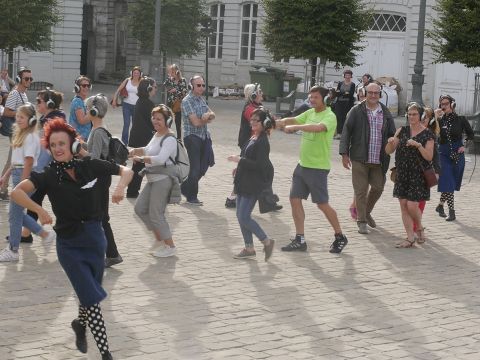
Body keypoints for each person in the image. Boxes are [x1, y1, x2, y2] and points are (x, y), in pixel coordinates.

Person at [11, 118, 133, 360]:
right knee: (92, 298)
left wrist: (120, 188)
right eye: (53, 144)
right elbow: (16, 193)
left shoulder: (89, 165)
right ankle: (106, 354)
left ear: (72, 144)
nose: (57, 148)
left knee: (89, 294)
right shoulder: (47, 175)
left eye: (61, 143)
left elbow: (126, 170)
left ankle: (79, 323)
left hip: (96, 240)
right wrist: (41, 210)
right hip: (69, 246)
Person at [276, 85, 348, 254]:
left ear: (324, 99)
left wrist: (296, 128)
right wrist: (275, 122)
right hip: (302, 165)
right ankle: (300, 239)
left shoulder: (330, 116)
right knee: (294, 199)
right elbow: (291, 120)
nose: (311, 100)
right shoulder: (310, 112)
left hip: (318, 168)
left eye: (315, 97)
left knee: (322, 204)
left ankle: (340, 236)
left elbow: (319, 128)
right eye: (310, 97)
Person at [0, 104, 56, 262]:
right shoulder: (21, 134)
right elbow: (15, 161)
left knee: (14, 215)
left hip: (24, 175)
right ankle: (45, 234)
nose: (17, 120)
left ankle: (13, 249)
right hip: (18, 174)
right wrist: (5, 176)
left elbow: (29, 161)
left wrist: (23, 184)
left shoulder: (31, 137)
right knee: (15, 214)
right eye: (17, 116)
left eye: (21, 117)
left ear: (31, 119)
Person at [339, 82, 396, 234]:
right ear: (365, 92)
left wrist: (392, 139)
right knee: (361, 191)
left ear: (380, 95)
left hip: (379, 159)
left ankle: (366, 211)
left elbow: (392, 132)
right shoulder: (356, 110)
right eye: (370, 92)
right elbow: (346, 132)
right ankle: (362, 220)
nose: (372, 95)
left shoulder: (385, 112)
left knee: (378, 187)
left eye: (375, 93)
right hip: (359, 157)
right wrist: (344, 153)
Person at [129, 105, 179, 258]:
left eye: (159, 119)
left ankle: (170, 246)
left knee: (156, 214)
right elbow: (150, 149)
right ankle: (159, 238)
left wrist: (141, 158)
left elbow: (161, 159)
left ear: (168, 120)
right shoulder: (157, 134)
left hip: (163, 180)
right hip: (152, 178)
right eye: (154, 118)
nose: (155, 121)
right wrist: (136, 150)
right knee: (140, 208)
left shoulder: (170, 138)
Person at [81, 94, 123, 268]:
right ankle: (111, 253)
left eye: (87, 109)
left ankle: (109, 253)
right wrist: (82, 144)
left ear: (93, 111)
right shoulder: (99, 130)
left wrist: (81, 151)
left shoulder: (97, 132)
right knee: (99, 217)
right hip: (101, 179)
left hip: (98, 179)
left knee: (98, 218)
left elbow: (95, 159)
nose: (85, 112)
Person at [228, 108, 276, 261]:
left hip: (253, 183)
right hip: (244, 180)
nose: (252, 122)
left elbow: (259, 165)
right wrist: (239, 166)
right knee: (240, 215)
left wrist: (240, 160)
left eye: (256, 120)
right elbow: (246, 156)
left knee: (244, 216)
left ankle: (266, 241)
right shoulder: (253, 137)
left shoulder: (262, 142)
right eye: (252, 120)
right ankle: (249, 248)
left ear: (265, 123)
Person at [225, 83, 282, 211]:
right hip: (249, 143)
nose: (261, 93)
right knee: (252, 170)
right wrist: (278, 121)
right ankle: (233, 198)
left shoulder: (256, 106)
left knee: (262, 169)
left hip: (255, 142)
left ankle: (267, 199)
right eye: (259, 92)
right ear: (254, 95)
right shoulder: (250, 109)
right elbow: (264, 119)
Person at [385, 103, 435, 247]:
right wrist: (390, 142)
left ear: (421, 116)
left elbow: (429, 157)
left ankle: (418, 227)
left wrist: (418, 145)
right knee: (403, 205)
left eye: (414, 114)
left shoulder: (428, 134)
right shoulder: (402, 130)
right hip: (402, 173)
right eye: (409, 114)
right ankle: (409, 238)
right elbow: (389, 151)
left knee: (412, 205)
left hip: (418, 174)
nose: (411, 117)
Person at [22, 88, 66, 242]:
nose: (37, 104)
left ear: (49, 103)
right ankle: (26, 234)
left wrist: (37, 170)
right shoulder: (47, 120)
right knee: (35, 200)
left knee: (61, 204)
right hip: (47, 169)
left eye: (39, 101)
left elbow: (47, 150)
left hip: (51, 170)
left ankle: (67, 232)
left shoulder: (51, 123)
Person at [434, 95, 474, 222]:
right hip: (443, 153)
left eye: (446, 103)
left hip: (458, 152)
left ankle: (440, 206)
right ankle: (452, 212)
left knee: (451, 182)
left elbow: (470, 134)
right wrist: (435, 118)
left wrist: (464, 144)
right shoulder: (439, 120)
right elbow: (431, 131)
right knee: (448, 181)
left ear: (452, 104)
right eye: (442, 104)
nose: (444, 106)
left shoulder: (461, 119)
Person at [181, 75, 215, 205]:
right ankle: (192, 197)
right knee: (195, 168)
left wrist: (208, 115)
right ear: (192, 86)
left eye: (203, 85)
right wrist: (206, 118)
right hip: (192, 137)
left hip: (203, 137)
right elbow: (195, 122)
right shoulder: (187, 101)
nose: (202, 88)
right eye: (198, 85)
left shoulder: (201, 99)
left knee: (203, 167)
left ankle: (184, 188)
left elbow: (213, 114)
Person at [0, 67, 32, 201]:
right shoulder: (14, 94)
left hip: (22, 132)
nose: (29, 81)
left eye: (30, 78)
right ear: (19, 79)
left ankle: (4, 188)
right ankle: (2, 189)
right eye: (26, 78)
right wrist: (21, 114)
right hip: (15, 131)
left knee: (14, 160)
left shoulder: (24, 94)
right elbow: (6, 112)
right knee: (12, 160)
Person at [126, 77, 157, 198]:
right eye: (155, 87)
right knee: (141, 166)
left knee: (138, 166)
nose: (155, 89)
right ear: (149, 88)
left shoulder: (141, 101)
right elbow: (153, 122)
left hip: (137, 138)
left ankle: (132, 191)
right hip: (143, 139)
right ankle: (133, 191)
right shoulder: (148, 103)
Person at [112, 66, 142, 145]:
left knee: (135, 125)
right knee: (126, 124)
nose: (136, 74)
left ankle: (133, 141)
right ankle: (124, 143)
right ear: (132, 73)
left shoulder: (142, 82)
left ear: (140, 74)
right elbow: (118, 90)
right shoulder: (127, 80)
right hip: (126, 105)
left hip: (137, 106)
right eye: (134, 73)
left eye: (137, 73)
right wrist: (114, 100)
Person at [164, 64, 187, 139]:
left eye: (172, 72)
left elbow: (184, 92)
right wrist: (170, 88)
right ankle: (167, 135)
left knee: (178, 122)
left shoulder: (182, 80)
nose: (171, 73)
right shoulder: (170, 79)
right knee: (169, 120)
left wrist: (176, 90)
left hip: (178, 103)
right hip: (170, 102)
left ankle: (179, 138)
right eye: (170, 72)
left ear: (176, 71)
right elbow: (165, 85)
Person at [69, 75, 92, 141]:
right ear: (77, 88)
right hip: (80, 138)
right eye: (84, 86)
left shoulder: (82, 101)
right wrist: (93, 113)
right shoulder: (78, 101)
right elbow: (82, 120)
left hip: (83, 137)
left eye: (88, 86)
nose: (86, 88)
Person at [334, 69, 356, 138]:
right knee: (338, 117)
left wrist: (342, 93)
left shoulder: (352, 84)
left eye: (349, 75)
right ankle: (339, 133)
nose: (347, 76)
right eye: (346, 75)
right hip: (339, 102)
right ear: (344, 76)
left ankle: (344, 134)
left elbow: (351, 94)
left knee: (345, 118)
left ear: (351, 76)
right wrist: (345, 93)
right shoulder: (340, 83)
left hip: (347, 103)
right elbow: (337, 92)